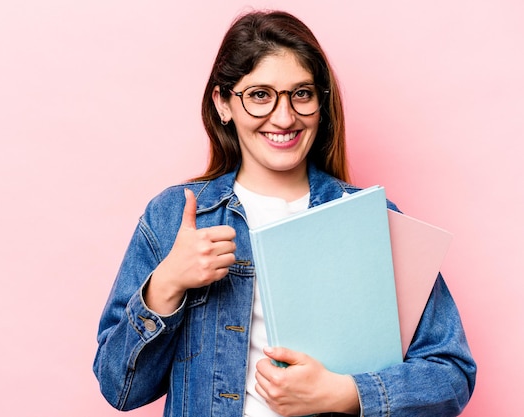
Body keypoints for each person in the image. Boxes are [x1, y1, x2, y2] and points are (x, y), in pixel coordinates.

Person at [93, 9, 476, 417]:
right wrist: (166, 284)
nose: (284, 117)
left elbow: (451, 374)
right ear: (224, 103)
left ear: (320, 103)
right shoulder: (174, 217)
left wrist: (345, 393)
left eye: (301, 94)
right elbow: (120, 388)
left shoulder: (372, 219)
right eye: (260, 95)